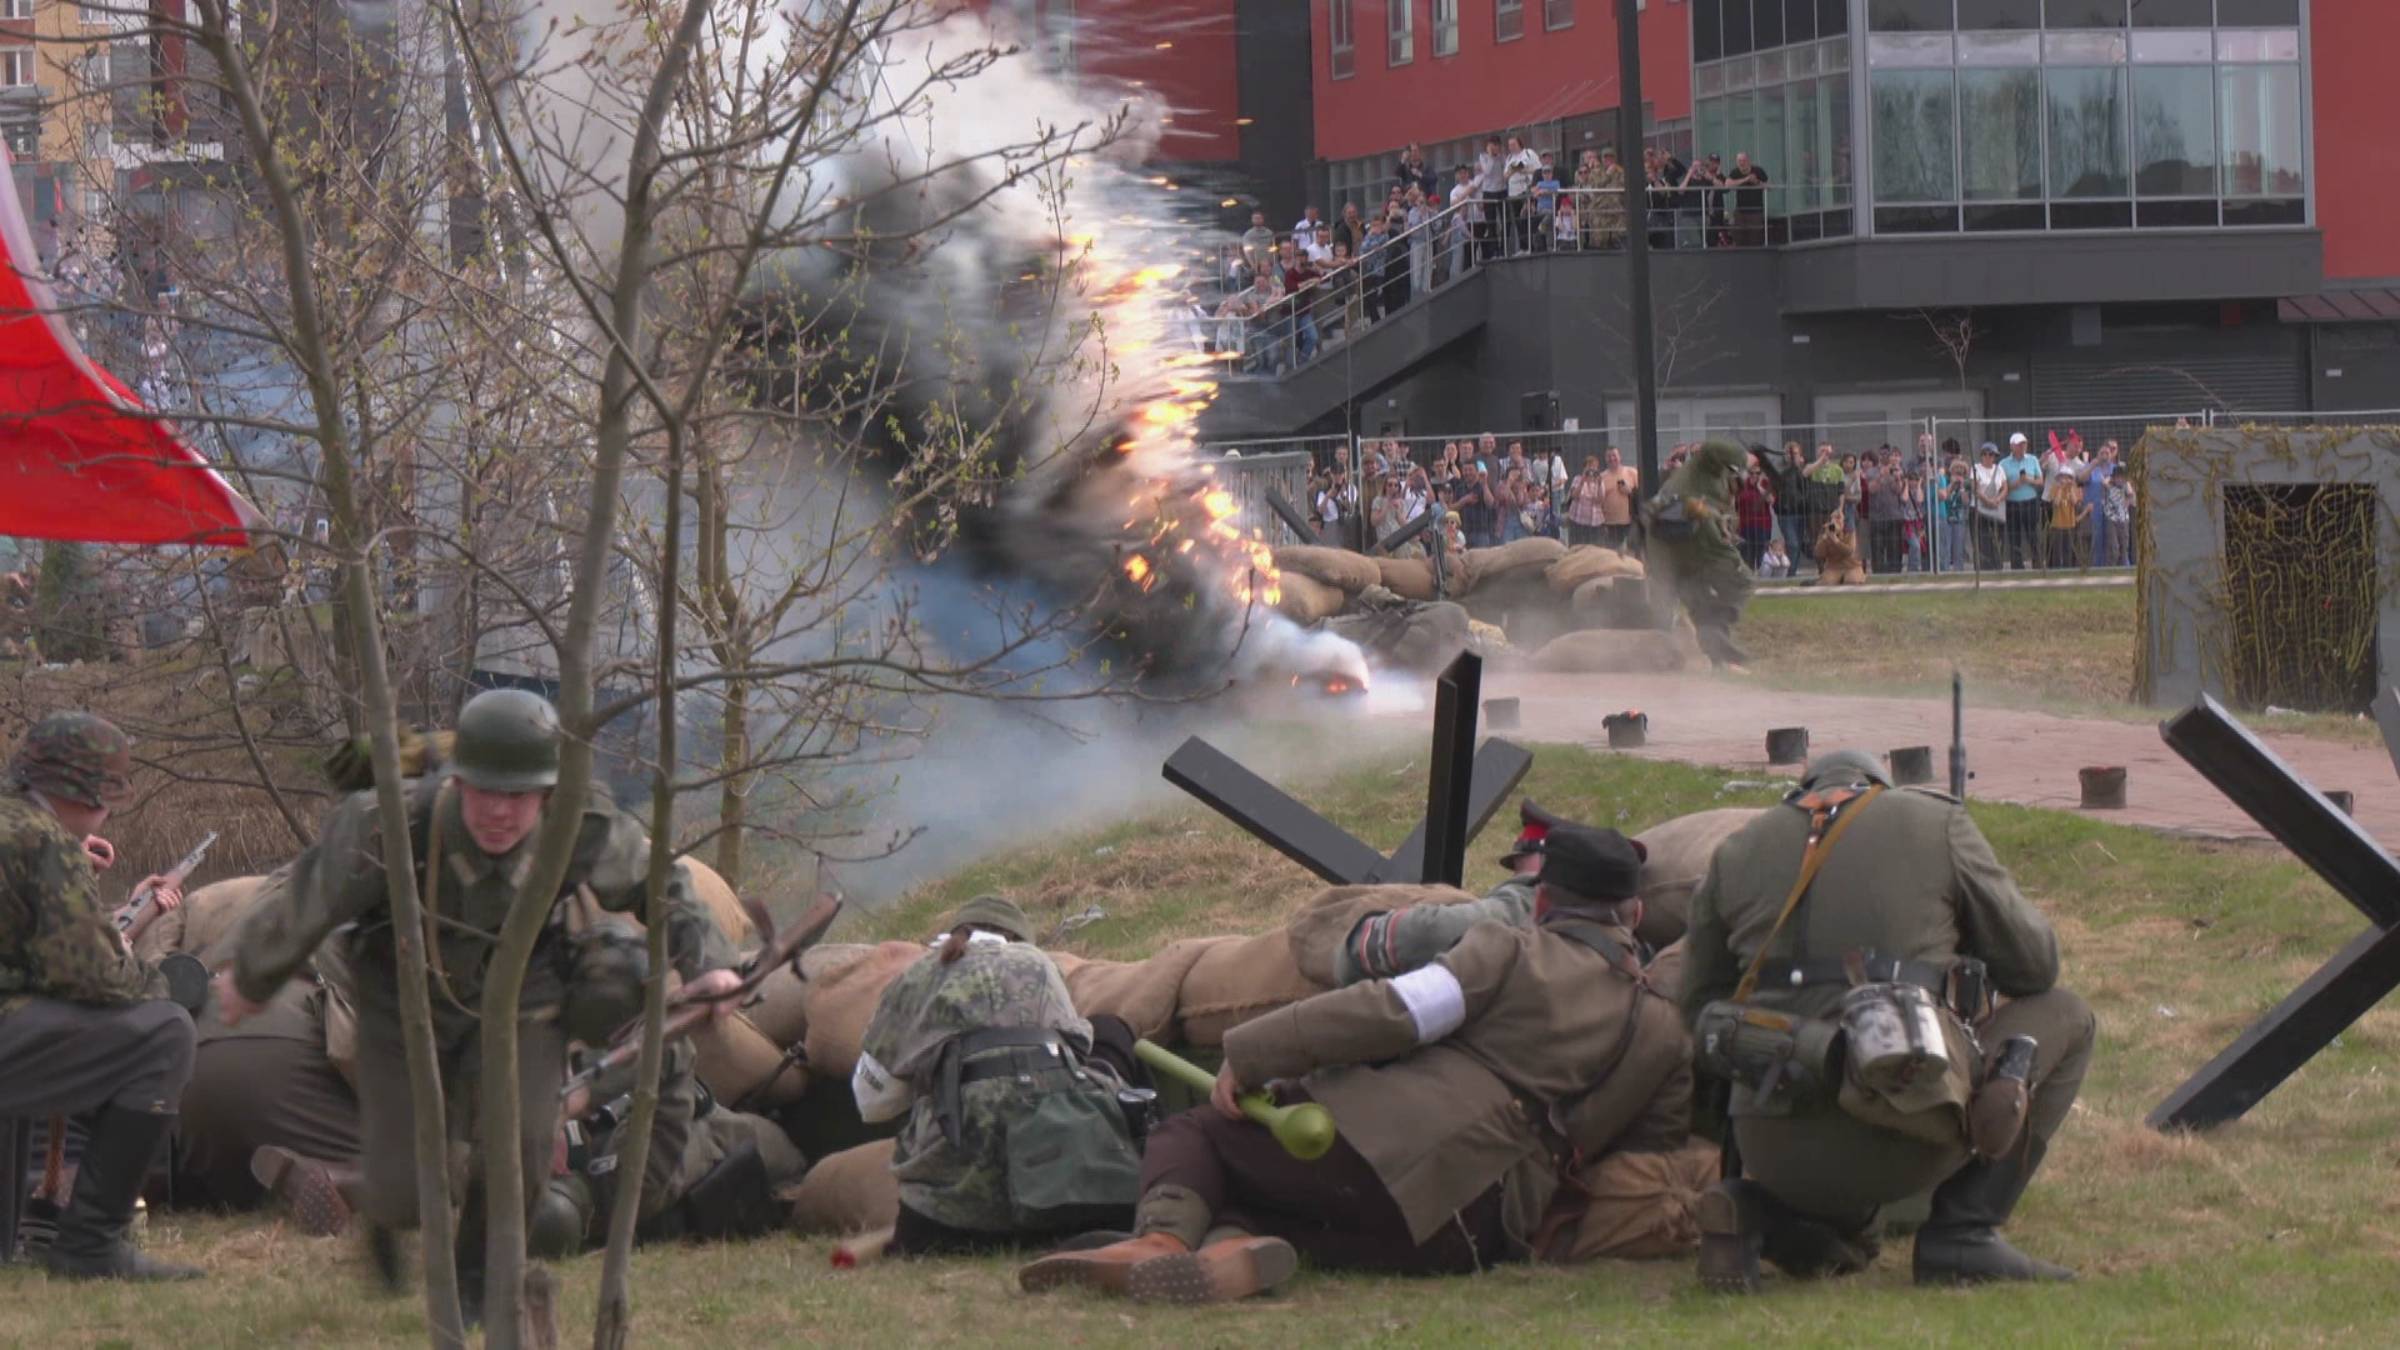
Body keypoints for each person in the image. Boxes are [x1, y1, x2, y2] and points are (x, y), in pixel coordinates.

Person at [216, 688, 742, 1317]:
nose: (499, 811)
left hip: (527, 991)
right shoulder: (393, 820)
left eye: (518, 795)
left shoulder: (578, 821)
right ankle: (384, 1217)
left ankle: (475, 1281)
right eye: (485, 791)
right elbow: (311, 897)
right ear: (458, 781)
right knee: (406, 1179)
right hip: (404, 988)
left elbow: (662, 884)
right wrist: (249, 979)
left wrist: (706, 966)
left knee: (518, 1150)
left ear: (546, 793)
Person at [1019, 825, 1690, 1302]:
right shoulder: (1662, 1027)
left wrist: (1251, 1052)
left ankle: (1158, 1244)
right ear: (1633, 912)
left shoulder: (1509, 950)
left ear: (1542, 901)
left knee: (1194, 1135)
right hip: (1475, 1235)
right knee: (1274, 1210)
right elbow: (1649, 1148)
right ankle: (1229, 1252)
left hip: (1384, 1161)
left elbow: (1394, 1010)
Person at [1678, 750, 2095, 1292]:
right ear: (1879, 785)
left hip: (1772, 1142)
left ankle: (1750, 1208)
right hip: (1906, 1123)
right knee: (2070, 1015)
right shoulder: (1934, 821)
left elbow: (1697, 1003)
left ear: (1803, 790)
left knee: (1852, 1244)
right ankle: (1964, 1231)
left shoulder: (1736, 850)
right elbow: (2036, 966)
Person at [0, 712, 203, 1281]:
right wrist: (161, 988)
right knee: (165, 1035)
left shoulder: (22, 830)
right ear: (86, 791)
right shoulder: (44, 844)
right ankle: (90, 1244)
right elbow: (93, 976)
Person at [854, 896, 1141, 1254]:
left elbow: (873, 1104)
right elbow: (1077, 1055)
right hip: (1068, 1197)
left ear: (955, 932)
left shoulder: (915, 977)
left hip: (951, 1217)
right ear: (1018, 939)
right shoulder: (1039, 964)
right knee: (1109, 1030)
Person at [1643, 439, 1755, 670]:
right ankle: (1714, 634)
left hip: (1666, 546)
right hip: (1687, 535)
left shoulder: (1699, 480)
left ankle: (1715, 656)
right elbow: (1715, 448)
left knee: (1697, 599)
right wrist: (1746, 457)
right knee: (1742, 581)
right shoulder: (1703, 471)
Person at [1999, 433, 2043, 570]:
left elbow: (2040, 481)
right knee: (2014, 537)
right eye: (2019, 444)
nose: (2022, 446)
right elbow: (2001, 487)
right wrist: (2015, 484)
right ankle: (2017, 567)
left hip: (2030, 502)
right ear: (2012, 446)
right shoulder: (2003, 463)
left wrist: (2029, 480)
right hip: (2012, 504)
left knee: (2033, 535)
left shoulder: (2033, 460)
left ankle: (2038, 564)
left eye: (2024, 443)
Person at [1734, 457, 1776, 571]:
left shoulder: (1765, 483)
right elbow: (1736, 503)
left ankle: (1761, 577)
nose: (1754, 475)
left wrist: (1759, 487)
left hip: (1763, 525)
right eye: (1751, 473)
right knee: (1747, 554)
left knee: (1761, 553)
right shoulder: (1742, 485)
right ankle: (1750, 577)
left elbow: (1771, 500)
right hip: (1745, 525)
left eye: (1757, 473)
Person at [1598, 446, 1640, 552]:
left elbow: (1643, 495)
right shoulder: (1601, 477)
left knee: (1629, 554)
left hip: (1629, 522)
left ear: (1620, 457)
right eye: (1609, 456)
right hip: (1609, 524)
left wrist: (1630, 491)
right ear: (1605, 459)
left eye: (1614, 455)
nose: (1612, 459)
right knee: (1612, 554)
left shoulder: (1632, 473)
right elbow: (1598, 502)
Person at [1565, 454, 1609, 546]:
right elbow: (1574, 496)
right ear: (1584, 468)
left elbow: (1600, 500)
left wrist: (1599, 482)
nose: (1591, 470)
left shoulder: (1599, 482)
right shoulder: (1577, 479)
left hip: (1594, 522)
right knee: (1577, 547)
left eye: (1594, 467)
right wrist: (1583, 481)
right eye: (1589, 467)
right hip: (1578, 522)